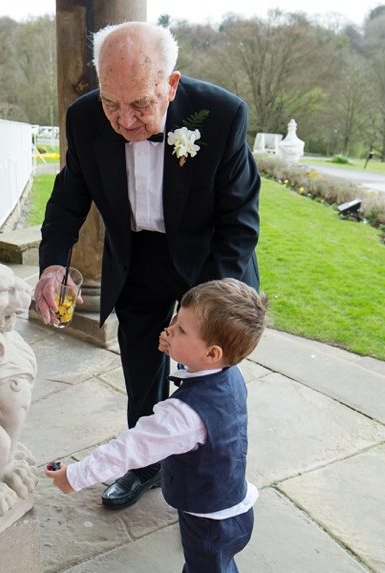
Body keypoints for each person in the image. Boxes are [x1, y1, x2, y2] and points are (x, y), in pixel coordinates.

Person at [33, 21, 260, 509]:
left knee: (208, 374)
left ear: (171, 84)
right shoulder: (84, 117)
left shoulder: (220, 115)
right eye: (111, 103)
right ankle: (145, 464)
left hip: (209, 259)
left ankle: (213, 470)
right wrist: (53, 265)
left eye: (140, 104)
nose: (124, 121)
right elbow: (68, 197)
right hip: (136, 258)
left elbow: (240, 222)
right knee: (141, 368)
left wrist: (203, 308)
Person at [46, 278, 268, 573]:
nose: (169, 328)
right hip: (233, 509)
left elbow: (129, 449)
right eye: (176, 318)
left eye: (182, 329)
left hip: (208, 523)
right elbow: (200, 366)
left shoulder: (184, 414)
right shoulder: (230, 373)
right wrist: (180, 350)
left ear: (212, 353)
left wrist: (73, 476)